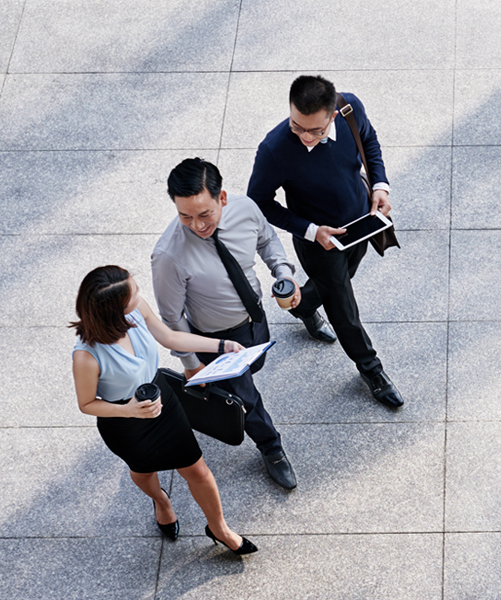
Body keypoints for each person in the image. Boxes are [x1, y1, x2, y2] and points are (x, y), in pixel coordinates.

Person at [70, 265, 257, 554]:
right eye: (133, 293)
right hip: (125, 422)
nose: (139, 294)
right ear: (113, 309)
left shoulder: (134, 310)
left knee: (198, 469)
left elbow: (170, 338)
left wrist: (222, 345)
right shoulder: (86, 356)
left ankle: (219, 528)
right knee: (143, 473)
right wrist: (130, 411)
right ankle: (161, 501)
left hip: (162, 401)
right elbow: (86, 404)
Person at [247, 74, 404, 408]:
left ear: (332, 115)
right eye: (296, 126)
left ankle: (302, 305)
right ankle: (371, 369)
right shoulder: (275, 149)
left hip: (361, 222)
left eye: (315, 130)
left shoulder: (350, 109)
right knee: (343, 308)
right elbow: (258, 201)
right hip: (317, 241)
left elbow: (370, 141)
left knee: (344, 278)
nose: (305, 137)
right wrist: (310, 230)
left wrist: (380, 186)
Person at [151, 157, 299, 490]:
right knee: (246, 395)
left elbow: (266, 240)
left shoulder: (245, 209)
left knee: (255, 365)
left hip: (255, 317)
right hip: (216, 337)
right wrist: (191, 364)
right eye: (184, 216)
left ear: (223, 198)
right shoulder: (168, 256)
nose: (196, 225)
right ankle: (270, 446)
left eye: (204, 214)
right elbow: (172, 318)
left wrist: (283, 272)